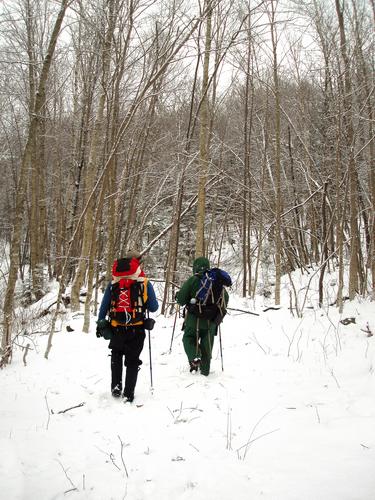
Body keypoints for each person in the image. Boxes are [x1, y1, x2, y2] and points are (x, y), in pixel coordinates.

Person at [97, 250, 158, 401]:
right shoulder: (144, 282)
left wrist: (100, 322)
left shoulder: (114, 282)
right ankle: (128, 395)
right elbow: (154, 307)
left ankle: (116, 388)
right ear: (138, 262)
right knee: (132, 360)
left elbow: (104, 306)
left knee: (116, 355)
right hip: (136, 328)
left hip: (116, 327)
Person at [175, 256, 230, 376]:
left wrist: (178, 296)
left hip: (193, 321)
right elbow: (225, 299)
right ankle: (205, 372)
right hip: (211, 323)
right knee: (207, 346)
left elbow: (181, 300)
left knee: (188, 339)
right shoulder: (217, 282)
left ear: (195, 267)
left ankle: (195, 357)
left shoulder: (193, 280)